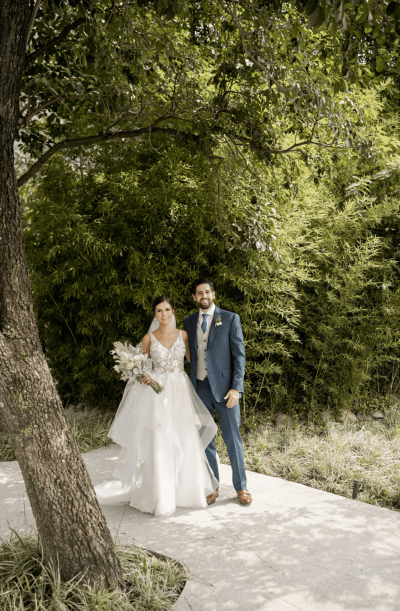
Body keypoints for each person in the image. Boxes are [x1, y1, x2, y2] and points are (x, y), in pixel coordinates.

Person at [94, 296, 219, 517]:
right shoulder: (148, 338)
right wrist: (144, 376)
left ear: (173, 312)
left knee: (184, 436)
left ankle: (187, 493)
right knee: (161, 438)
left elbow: (195, 363)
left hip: (180, 392)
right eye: (159, 311)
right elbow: (141, 367)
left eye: (167, 309)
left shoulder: (184, 335)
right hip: (158, 394)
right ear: (155, 314)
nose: (164, 314)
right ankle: (162, 496)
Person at [183, 278, 252, 506]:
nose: (204, 296)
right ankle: (212, 486)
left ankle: (241, 487)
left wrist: (236, 388)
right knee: (205, 438)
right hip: (200, 387)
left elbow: (239, 356)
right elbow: (189, 352)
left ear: (213, 294)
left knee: (233, 437)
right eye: (199, 293)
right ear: (194, 297)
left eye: (207, 292)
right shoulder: (189, 321)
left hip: (225, 390)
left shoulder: (231, 318)